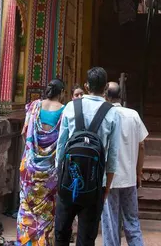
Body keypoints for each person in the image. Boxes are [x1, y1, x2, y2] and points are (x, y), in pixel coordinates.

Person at [55, 67, 120, 246]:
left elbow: (61, 145)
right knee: (87, 238)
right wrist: (107, 186)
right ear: (105, 87)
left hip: (68, 179)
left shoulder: (71, 106)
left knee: (61, 233)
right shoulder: (112, 112)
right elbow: (113, 154)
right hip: (95, 182)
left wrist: (58, 174)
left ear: (86, 85)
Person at [17, 78, 66, 246]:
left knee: (26, 208)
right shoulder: (64, 111)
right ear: (62, 93)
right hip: (50, 171)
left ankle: (25, 242)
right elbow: (63, 140)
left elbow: (25, 133)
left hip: (29, 168)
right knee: (46, 212)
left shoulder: (33, 107)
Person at [102, 82, 148, 246]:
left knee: (110, 222)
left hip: (109, 179)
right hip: (129, 178)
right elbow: (142, 145)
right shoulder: (133, 115)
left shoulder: (104, 115)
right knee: (132, 220)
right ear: (121, 96)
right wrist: (138, 172)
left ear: (106, 95)